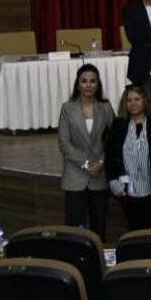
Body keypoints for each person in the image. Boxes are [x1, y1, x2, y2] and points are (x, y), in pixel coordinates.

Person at [58, 64, 115, 240]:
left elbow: (114, 140)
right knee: (75, 233)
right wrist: (85, 164)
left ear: (98, 84)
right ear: (78, 84)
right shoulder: (67, 108)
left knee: (99, 229)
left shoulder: (106, 107)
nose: (88, 85)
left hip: (99, 176)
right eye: (84, 81)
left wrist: (102, 163)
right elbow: (64, 143)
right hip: (75, 177)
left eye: (92, 81)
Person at [105, 85, 151, 231]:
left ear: (145, 101)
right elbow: (110, 155)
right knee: (135, 233)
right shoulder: (119, 124)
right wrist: (113, 180)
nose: (133, 103)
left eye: (137, 99)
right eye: (129, 100)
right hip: (127, 192)